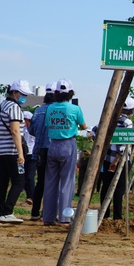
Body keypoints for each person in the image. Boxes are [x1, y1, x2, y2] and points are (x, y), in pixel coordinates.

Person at [43, 79, 86, 226]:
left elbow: (48, 124)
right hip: (68, 145)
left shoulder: (50, 108)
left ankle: (48, 218)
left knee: (50, 183)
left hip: (52, 145)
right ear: (71, 93)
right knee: (67, 183)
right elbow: (83, 125)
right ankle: (64, 218)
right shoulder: (75, 109)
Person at [0, 79, 32, 225]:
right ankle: (7, 212)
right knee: (19, 181)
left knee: (2, 183)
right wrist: (20, 154)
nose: (24, 97)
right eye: (22, 94)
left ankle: (0, 213)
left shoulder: (1, 105)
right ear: (14, 93)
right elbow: (15, 131)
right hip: (11, 151)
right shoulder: (15, 108)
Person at [99, 97, 134, 220]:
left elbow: (96, 132)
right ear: (130, 110)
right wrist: (116, 161)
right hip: (120, 161)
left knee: (106, 186)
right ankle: (117, 217)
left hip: (107, 158)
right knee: (119, 189)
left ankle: (105, 214)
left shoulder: (110, 120)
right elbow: (123, 145)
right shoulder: (127, 123)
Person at [29, 82, 55, 221]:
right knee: (52, 182)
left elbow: (31, 131)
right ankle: (48, 213)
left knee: (40, 182)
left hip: (39, 150)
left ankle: (34, 213)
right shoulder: (57, 110)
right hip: (52, 149)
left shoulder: (38, 110)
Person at [22, 111, 36, 205]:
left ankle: (31, 197)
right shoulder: (22, 129)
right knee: (24, 177)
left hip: (32, 154)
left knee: (30, 177)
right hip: (24, 155)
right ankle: (29, 196)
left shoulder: (34, 129)